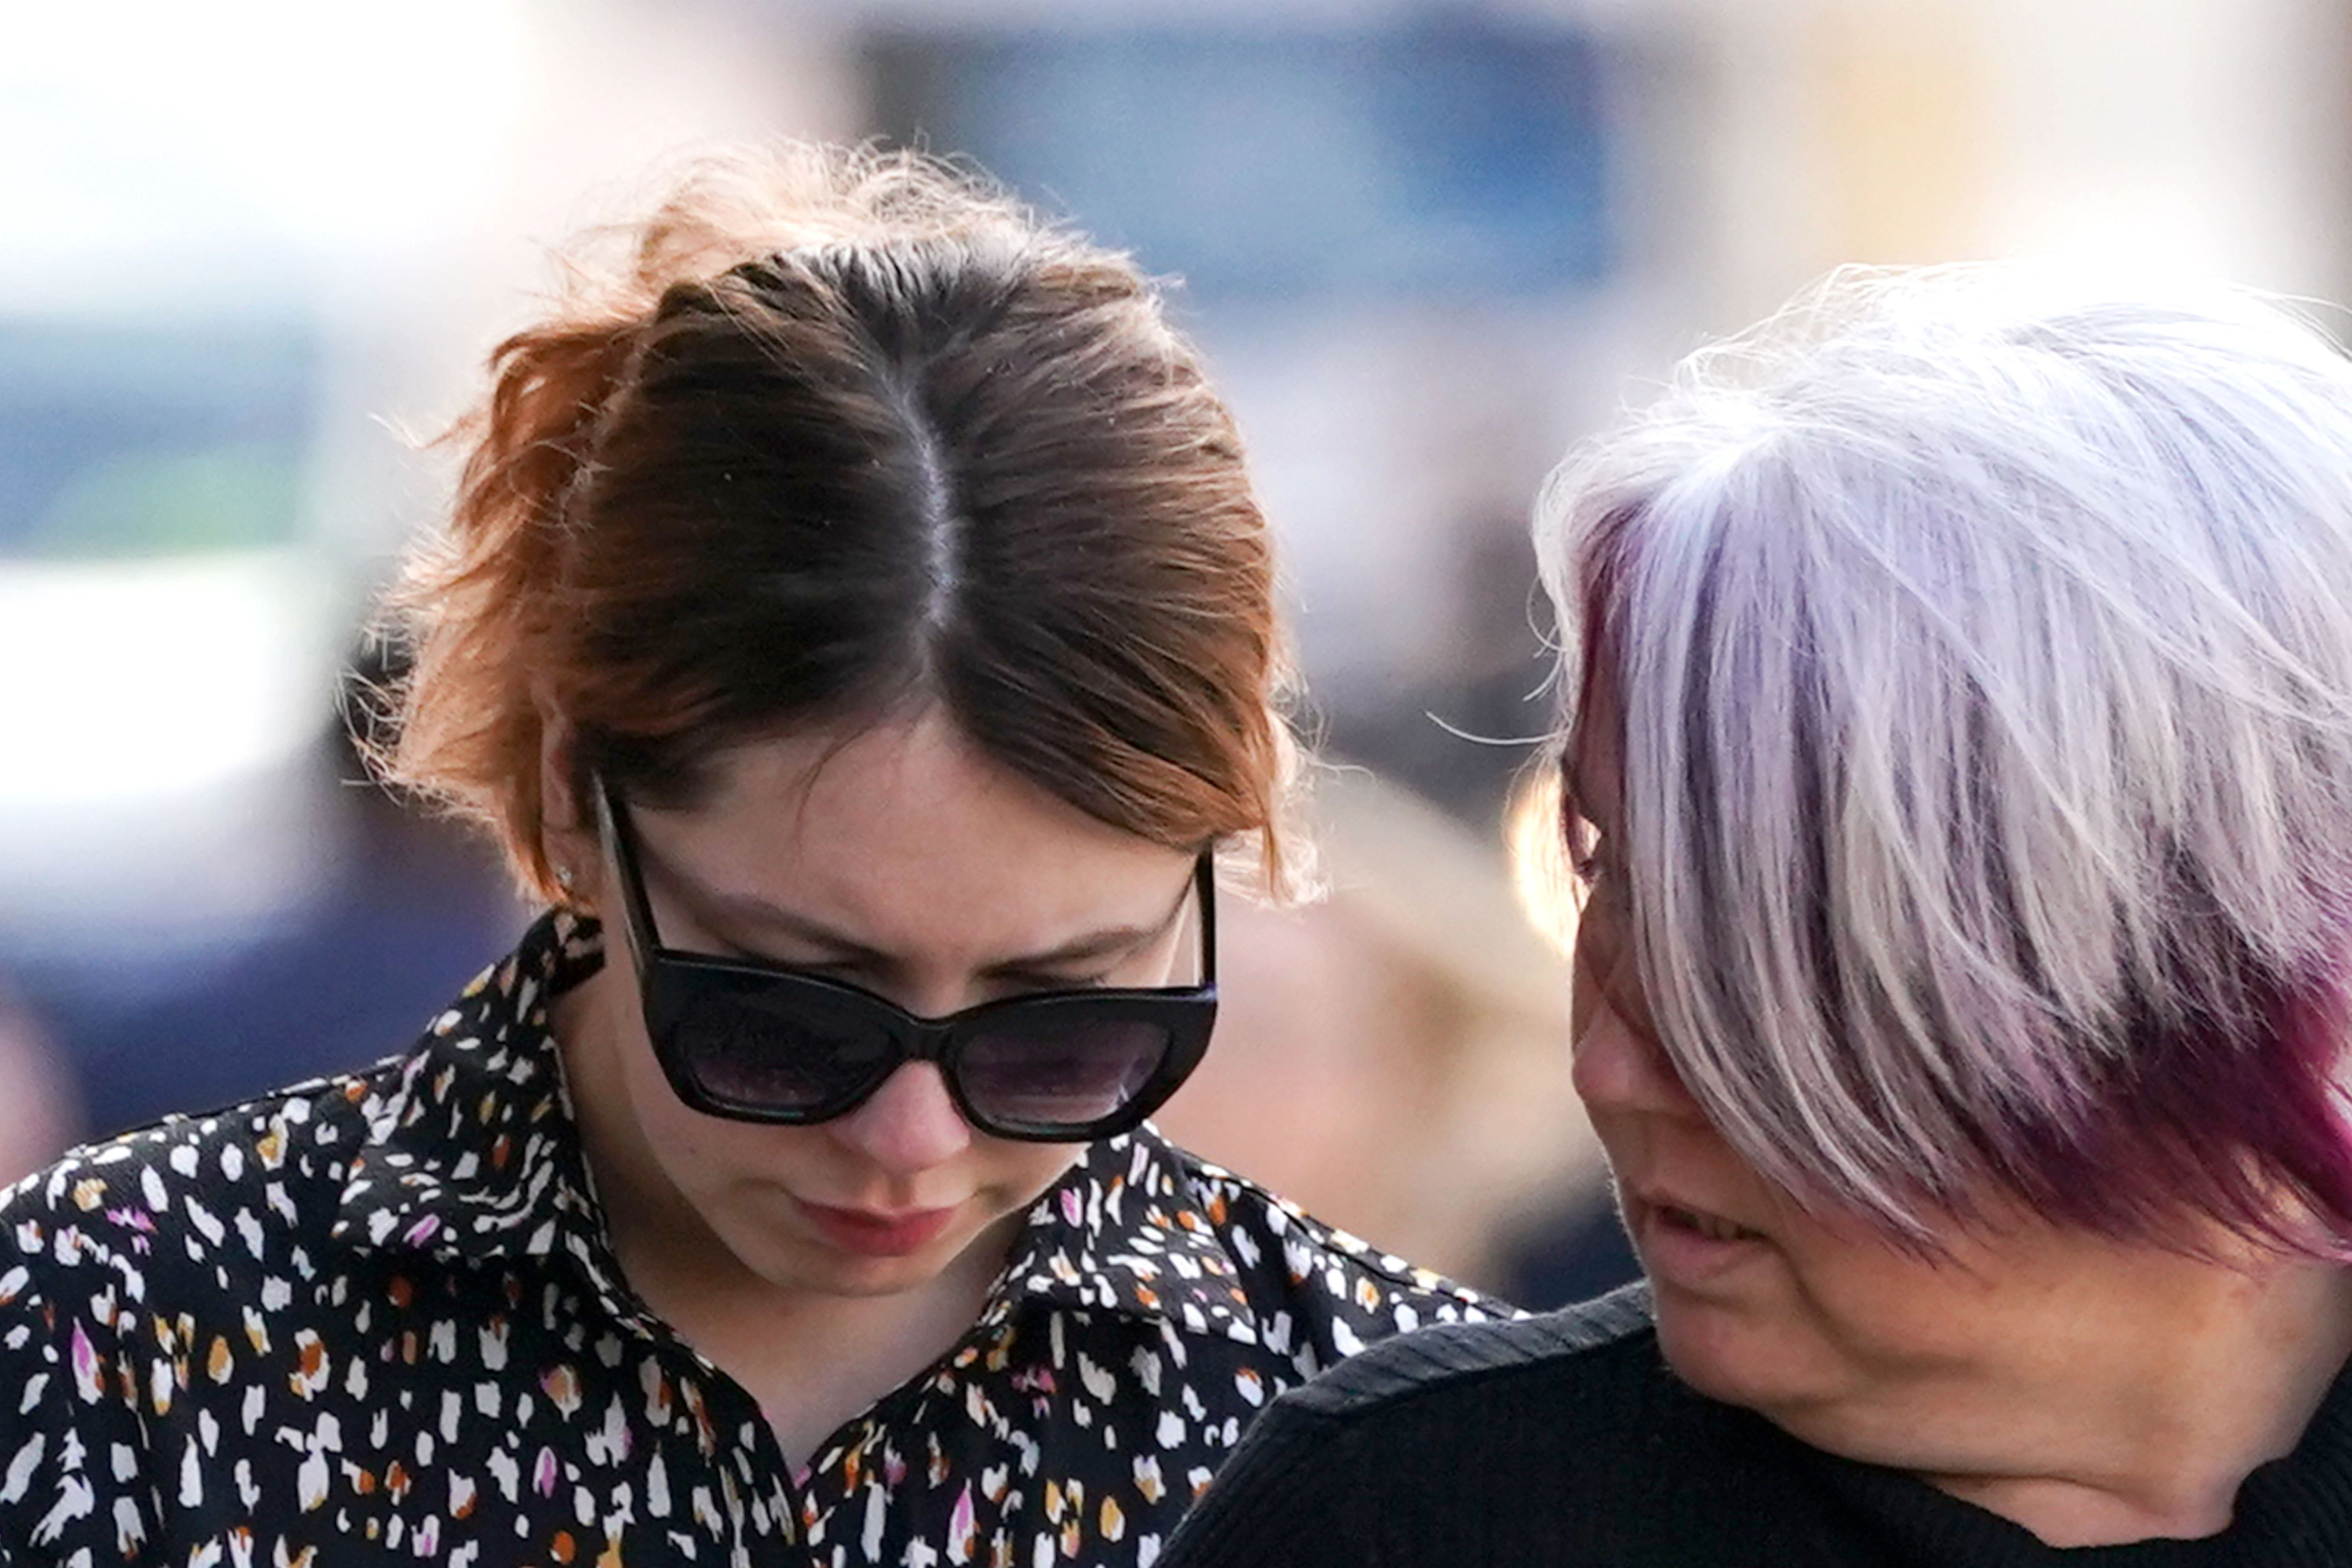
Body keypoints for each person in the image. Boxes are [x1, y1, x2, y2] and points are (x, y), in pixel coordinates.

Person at [0, 144, 1502, 1567]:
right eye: (789, 1016)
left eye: (1066, 1024)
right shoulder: (112, 1332)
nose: (912, 1146)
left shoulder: (1390, 1438)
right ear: (574, 800)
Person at [1159, 263, 2352, 1567]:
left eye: (1775, 953)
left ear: (2217, 963)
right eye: (1610, 873)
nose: (1613, 1064)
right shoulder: (1410, 1519)